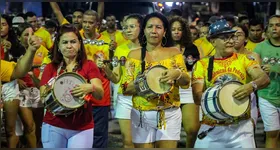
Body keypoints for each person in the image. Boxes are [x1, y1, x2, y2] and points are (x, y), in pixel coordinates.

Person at [192, 19, 270, 148]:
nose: (230, 40)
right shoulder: (202, 65)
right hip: (212, 128)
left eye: (231, 36)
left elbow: (264, 78)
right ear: (212, 41)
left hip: (241, 128)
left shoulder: (245, 60)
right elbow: (196, 98)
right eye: (224, 37)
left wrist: (251, 86)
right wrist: (222, 99)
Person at [121, 12, 190, 148]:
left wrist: (177, 74)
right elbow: (125, 88)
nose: (154, 31)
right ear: (144, 31)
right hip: (141, 115)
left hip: (169, 114)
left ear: (164, 32)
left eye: (158, 27)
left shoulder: (174, 52)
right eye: (150, 27)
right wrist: (147, 83)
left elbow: (186, 82)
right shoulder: (134, 55)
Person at [39, 24, 104, 148]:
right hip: (53, 125)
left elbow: (100, 94)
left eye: (73, 42)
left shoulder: (89, 65)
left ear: (79, 44)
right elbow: (43, 97)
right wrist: (49, 89)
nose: (69, 46)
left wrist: (91, 87)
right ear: (58, 45)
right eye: (65, 42)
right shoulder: (50, 67)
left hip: (82, 127)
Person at [97, 13, 143, 148]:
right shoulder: (120, 49)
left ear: (142, 28)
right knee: (127, 142)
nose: (128, 30)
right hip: (125, 98)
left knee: (144, 143)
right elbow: (116, 78)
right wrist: (106, 69)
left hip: (145, 99)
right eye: (126, 27)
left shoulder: (150, 49)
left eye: (132, 27)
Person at [15, 23, 49, 148]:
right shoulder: (14, 51)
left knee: (39, 125)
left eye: (32, 34)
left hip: (38, 90)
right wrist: (17, 80)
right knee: (29, 126)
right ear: (19, 37)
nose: (30, 37)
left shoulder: (42, 50)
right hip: (21, 92)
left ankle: (38, 145)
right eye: (26, 35)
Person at [169, 16, 200, 148]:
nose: (176, 32)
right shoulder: (163, 47)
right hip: (169, 90)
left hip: (187, 91)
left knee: (193, 130)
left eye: (179, 29)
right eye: (173, 29)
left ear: (184, 31)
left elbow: (197, 68)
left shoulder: (192, 48)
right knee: (169, 133)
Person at [253, 15, 280, 148]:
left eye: (278, 25)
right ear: (267, 29)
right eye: (271, 25)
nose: (274, 28)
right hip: (266, 96)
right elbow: (257, 72)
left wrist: (275, 69)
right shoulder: (259, 48)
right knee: (272, 133)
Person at [232, 25, 260, 129]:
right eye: (233, 35)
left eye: (239, 35)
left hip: (249, 97)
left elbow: (260, 79)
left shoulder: (253, 56)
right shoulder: (224, 56)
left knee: (249, 130)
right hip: (229, 94)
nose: (235, 37)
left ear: (246, 38)